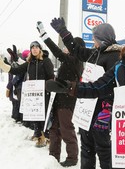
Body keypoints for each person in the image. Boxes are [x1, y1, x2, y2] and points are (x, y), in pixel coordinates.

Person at [48, 20, 125, 169]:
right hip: (89, 112)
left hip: (109, 115)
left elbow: (111, 91)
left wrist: (106, 112)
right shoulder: (101, 56)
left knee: (104, 151)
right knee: (87, 148)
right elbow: (96, 82)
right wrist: (68, 87)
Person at [49, 17, 122, 169]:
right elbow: (76, 49)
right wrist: (63, 32)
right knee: (86, 146)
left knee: (103, 147)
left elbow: (108, 86)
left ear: (102, 39)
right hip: (87, 107)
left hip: (104, 109)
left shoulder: (115, 57)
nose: (93, 41)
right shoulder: (95, 53)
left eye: (95, 38)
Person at [36, 21, 85, 167]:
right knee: (54, 128)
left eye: (69, 46)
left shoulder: (75, 60)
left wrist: (44, 36)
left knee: (66, 128)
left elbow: (56, 52)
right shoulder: (69, 60)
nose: (66, 48)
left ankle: (72, 158)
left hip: (67, 100)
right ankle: (53, 156)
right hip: (58, 99)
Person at [0, 41, 55, 147]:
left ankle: (48, 136)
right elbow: (16, 70)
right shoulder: (29, 62)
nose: (34, 49)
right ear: (30, 50)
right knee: (35, 115)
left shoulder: (46, 61)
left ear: (40, 49)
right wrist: (3, 65)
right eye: (32, 48)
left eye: (36, 47)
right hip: (33, 94)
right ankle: (39, 136)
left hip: (45, 93)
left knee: (44, 116)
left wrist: (45, 86)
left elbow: (51, 77)